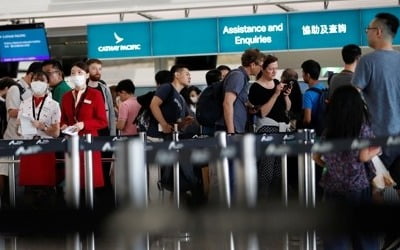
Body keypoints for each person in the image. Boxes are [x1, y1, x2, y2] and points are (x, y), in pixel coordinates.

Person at [352, 13, 400, 249]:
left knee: (376, 190)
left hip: (377, 140)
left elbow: (353, 98)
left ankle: (380, 238)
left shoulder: (368, 62)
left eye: (369, 29)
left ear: (379, 31)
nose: (368, 33)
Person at [313, 85, 380, 250]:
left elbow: (316, 157)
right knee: (363, 235)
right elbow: (363, 156)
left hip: (332, 186)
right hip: (357, 187)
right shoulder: (362, 129)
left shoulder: (329, 131)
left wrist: (331, 166)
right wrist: (377, 149)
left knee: (335, 235)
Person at [60, 61, 108, 207]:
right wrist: (64, 126)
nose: (76, 75)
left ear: (87, 74)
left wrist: (84, 124)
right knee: (74, 181)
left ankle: (93, 213)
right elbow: (64, 119)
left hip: (89, 142)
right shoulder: (66, 96)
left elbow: (102, 121)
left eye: (79, 72)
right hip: (72, 142)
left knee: (90, 179)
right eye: (73, 73)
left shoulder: (96, 95)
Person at [248, 55, 292, 200]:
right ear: (263, 69)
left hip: (282, 129)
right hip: (267, 129)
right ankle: (262, 201)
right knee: (266, 169)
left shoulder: (277, 82)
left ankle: (276, 201)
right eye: (270, 69)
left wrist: (285, 96)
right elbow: (262, 112)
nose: (274, 72)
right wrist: (275, 94)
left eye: (276, 68)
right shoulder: (256, 88)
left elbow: (287, 108)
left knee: (280, 171)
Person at [17, 79, 61, 208]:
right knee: (29, 186)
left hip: (46, 146)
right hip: (28, 146)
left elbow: (56, 133)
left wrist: (43, 127)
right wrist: (22, 127)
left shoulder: (54, 104)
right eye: (35, 80)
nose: (37, 83)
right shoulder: (24, 103)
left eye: (41, 80)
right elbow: (19, 129)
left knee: (47, 185)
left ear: (47, 84)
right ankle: (29, 219)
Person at [217, 48, 265, 134]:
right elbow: (227, 103)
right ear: (253, 64)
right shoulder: (238, 76)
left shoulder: (242, 77)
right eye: (261, 66)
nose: (261, 69)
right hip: (231, 129)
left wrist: (249, 107)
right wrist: (231, 132)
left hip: (237, 128)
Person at [148, 65, 193, 141]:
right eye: (187, 74)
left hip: (169, 138)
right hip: (156, 137)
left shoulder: (181, 98)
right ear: (177, 75)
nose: (189, 77)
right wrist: (164, 124)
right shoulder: (167, 87)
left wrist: (184, 122)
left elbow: (174, 125)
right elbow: (154, 105)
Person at [86, 58, 116, 136]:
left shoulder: (105, 89)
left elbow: (111, 111)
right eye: (94, 69)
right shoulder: (83, 89)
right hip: (88, 129)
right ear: (87, 71)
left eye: (99, 69)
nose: (98, 71)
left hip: (104, 129)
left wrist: (112, 133)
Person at [301, 59, 325, 131]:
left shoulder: (307, 94)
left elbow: (307, 120)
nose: (302, 75)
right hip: (325, 129)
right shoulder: (324, 88)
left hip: (315, 131)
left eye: (303, 72)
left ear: (308, 75)